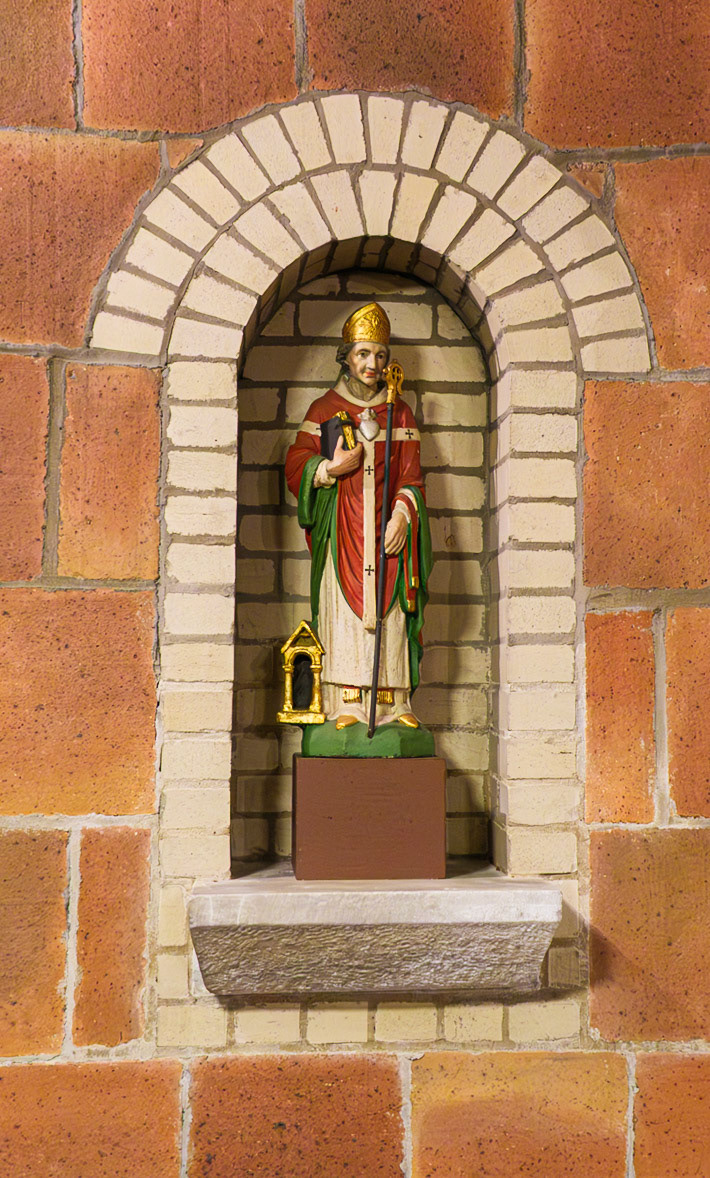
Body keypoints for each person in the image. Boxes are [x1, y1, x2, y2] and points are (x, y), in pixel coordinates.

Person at [285, 302, 432, 730]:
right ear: (346, 357)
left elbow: (412, 476)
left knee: (392, 609)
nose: (373, 364)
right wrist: (330, 469)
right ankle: (346, 700)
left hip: (387, 534)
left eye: (380, 355)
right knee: (344, 612)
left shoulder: (399, 412)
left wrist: (402, 515)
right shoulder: (324, 408)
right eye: (363, 353)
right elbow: (296, 464)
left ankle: (394, 702)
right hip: (343, 531)